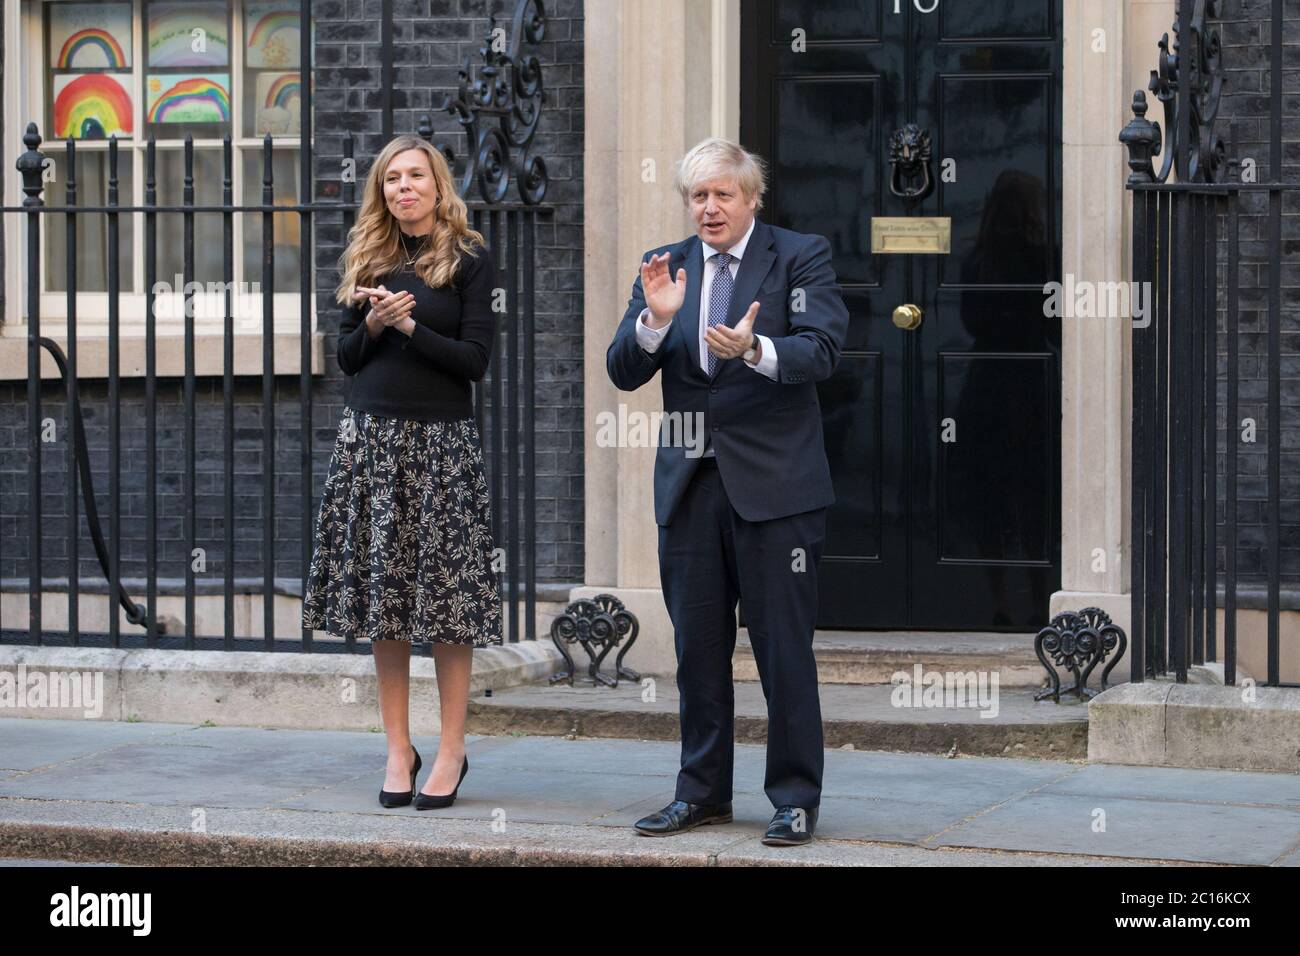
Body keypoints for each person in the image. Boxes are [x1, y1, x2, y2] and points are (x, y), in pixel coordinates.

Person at [606, 137, 848, 846]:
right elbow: (622, 371)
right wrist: (653, 321)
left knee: (782, 651)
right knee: (697, 653)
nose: (708, 208)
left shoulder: (800, 255)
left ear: (751, 199)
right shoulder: (666, 266)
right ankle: (702, 792)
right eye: (697, 196)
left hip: (776, 490)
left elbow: (824, 350)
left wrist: (758, 351)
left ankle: (795, 797)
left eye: (722, 195)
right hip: (689, 488)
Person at [302, 135, 502, 811]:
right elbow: (348, 358)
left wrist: (410, 326)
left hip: (442, 446)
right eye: (392, 179)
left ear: (438, 185)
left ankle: (451, 749)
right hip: (372, 442)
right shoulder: (368, 253)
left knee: (447, 611)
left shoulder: (468, 258)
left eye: (415, 176)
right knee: (386, 604)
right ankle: (397, 748)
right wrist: (377, 326)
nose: (403, 188)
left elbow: (475, 361)